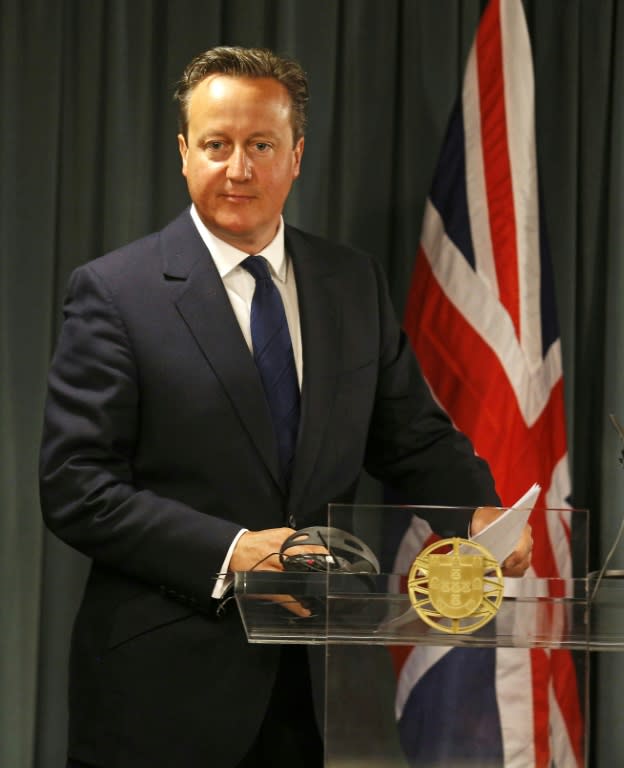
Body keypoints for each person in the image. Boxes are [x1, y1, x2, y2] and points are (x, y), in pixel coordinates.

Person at [39, 46, 532, 768]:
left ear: (296, 155)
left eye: (260, 145)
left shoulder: (349, 282)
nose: (238, 168)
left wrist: (479, 510)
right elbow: (75, 488)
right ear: (184, 153)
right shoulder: (116, 294)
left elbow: (412, 438)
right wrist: (238, 551)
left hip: (328, 691)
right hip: (167, 695)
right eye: (217, 145)